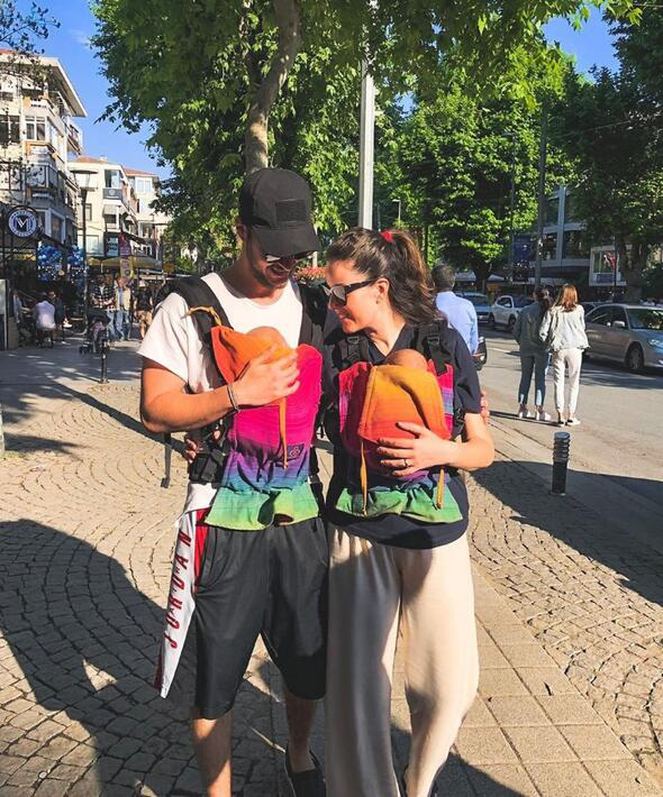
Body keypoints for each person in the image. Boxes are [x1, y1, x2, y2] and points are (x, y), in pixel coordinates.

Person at [138, 167, 327, 797]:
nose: (287, 265)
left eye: (298, 253)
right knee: (217, 672)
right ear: (240, 231)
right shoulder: (188, 305)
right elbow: (155, 408)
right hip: (221, 512)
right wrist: (233, 395)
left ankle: (299, 757)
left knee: (305, 658)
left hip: (301, 510)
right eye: (275, 252)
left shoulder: (314, 305)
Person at [323, 228, 494, 797]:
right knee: (355, 691)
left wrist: (438, 451)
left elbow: (482, 450)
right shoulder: (336, 350)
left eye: (340, 292)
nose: (332, 303)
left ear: (379, 288)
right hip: (358, 530)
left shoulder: (443, 342)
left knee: (451, 685)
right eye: (327, 292)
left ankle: (417, 783)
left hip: (435, 531)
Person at [539, 283, 589, 427]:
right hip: (575, 348)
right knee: (574, 382)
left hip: (558, 348)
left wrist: (549, 343)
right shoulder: (579, 310)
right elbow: (582, 327)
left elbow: (542, 332)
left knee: (558, 382)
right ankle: (571, 415)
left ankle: (560, 415)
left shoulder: (552, 311)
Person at [512, 287, 552, 421]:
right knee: (540, 379)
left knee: (525, 377)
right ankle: (539, 409)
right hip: (542, 349)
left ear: (534, 295)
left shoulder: (525, 310)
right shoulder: (548, 310)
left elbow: (516, 331)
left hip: (526, 348)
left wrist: (522, 342)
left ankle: (522, 408)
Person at [432, 263, 479, 354]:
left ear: (433, 283)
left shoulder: (426, 306)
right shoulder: (467, 306)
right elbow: (474, 344)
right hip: (463, 358)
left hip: (434, 359)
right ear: (453, 283)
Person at [113, 275, 132, 341]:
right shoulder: (116, 290)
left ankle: (127, 336)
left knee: (127, 322)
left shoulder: (128, 290)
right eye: (118, 282)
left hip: (126, 307)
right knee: (118, 323)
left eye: (121, 282)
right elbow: (114, 298)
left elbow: (130, 299)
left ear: (124, 283)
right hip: (119, 307)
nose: (119, 284)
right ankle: (121, 336)